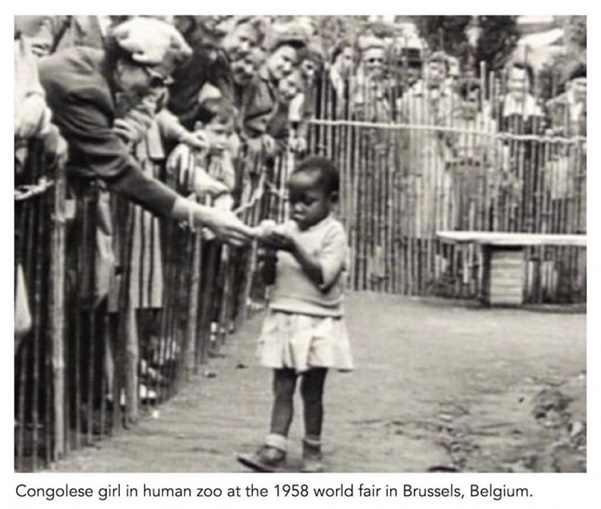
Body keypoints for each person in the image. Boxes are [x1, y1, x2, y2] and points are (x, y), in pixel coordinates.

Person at [38, 17, 254, 243]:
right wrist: (202, 215)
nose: (156, 91)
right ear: (124, 65)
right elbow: (119, 171)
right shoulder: (82, 90)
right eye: (155, 81)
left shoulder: (95, 66)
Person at [237, 156, 353, 473]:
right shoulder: (286, 231)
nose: (298, 209)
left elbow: (324, 277)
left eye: (308, 202)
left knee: (312, 391)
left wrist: (294, 247)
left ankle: (312, 449)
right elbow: (269, 281)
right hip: (285, 317)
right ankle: (274, 447)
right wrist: (269, 255)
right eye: (293, 202)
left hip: (318, 321)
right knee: (283, 385)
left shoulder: (334, 234)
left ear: (332, 200)